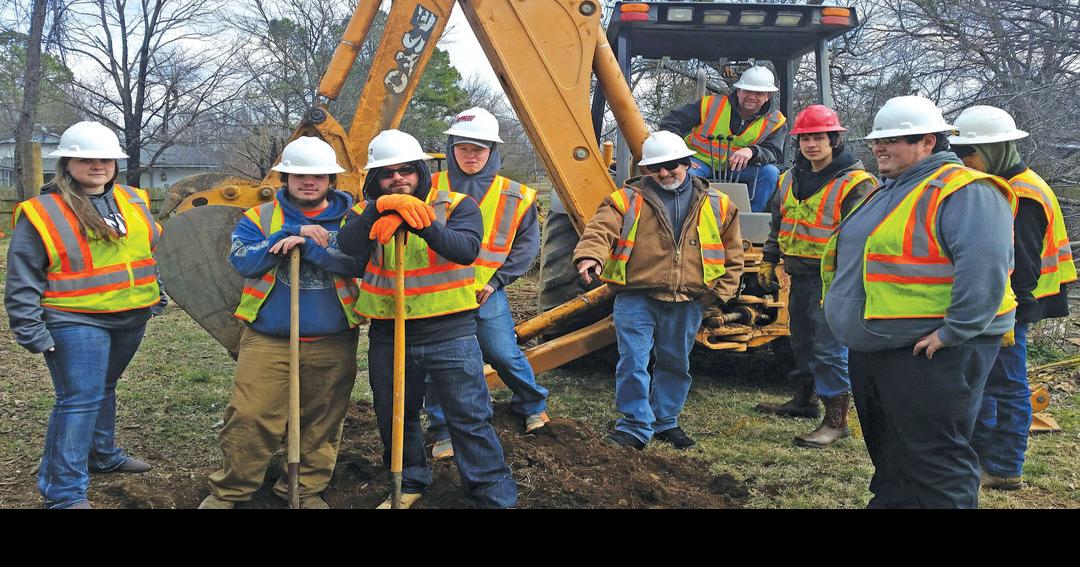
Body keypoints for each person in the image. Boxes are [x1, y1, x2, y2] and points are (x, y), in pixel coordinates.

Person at [821, 95, 1017, 508]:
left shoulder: (965, 190)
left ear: (929, 141)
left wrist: (954, 332)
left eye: (893, 140)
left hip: (929, 350)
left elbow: (984, 267)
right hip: (883, 346)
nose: (879, 148)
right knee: (893, 454)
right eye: (877, 140)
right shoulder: (894, 188)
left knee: (936, 461)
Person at [339, 129, 517, 509]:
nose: (399, 179)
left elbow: (466, 250)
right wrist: (378, 210)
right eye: (388, 173)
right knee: (395, 415)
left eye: (407, 171)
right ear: (375, 179)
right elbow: (350, 248)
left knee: (469, 415)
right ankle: (408, 481)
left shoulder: (456, 206)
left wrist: (423, 224)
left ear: (420, 170)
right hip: (389, 333)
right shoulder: (361, 213)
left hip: (450, 333)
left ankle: (493, 493)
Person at [5, 121, 165, 509]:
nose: (98, 165)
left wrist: (154, 291)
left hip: (131, 316)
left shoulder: (134, 200)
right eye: (86, 158)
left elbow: (145, 250)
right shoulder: (42, 212)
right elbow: (22, 275)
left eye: (105, 158)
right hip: (75, 319)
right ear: (67, 163)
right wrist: (30, 327)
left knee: (103, 389)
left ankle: (102, 454)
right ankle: (64, 495)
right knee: (79, 399)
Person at [198, 137, 363, 509]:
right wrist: (286, 236)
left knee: (321, 420)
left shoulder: (352, 218)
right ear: (285, 177)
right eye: (300, 174)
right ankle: (230, 491)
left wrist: (315, 250)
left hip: (333, 338)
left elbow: (359, 263)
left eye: (318, 175)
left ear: (331, 180)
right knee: (250, 415)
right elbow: (244, 262)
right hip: (268, 338)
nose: (309, 181)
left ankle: (304, 491)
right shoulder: (260, 217)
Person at [573, 131, 744, 450]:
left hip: (688, 300)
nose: (665, 173)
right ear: (645, 170)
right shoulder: (625, 199)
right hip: (636, 296)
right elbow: (600, 230)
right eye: (656, 168)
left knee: (675, 362)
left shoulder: (719, 204)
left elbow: (733, 254)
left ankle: (665, 421)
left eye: (672, 165)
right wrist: (589, 256)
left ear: (689, 163)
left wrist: (718, 295)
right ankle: (635, 425)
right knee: (633, 361)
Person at [949, 105, 1075, 490]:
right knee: (986, 381)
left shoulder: (1023, 192)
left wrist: (1007, 311)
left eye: (969, 153)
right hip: (1002, 300)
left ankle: (1004, 466)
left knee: (1005, 384)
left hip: (1014, 303)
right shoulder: (999, 183)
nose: (963, 162)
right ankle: (984, 455)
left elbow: (1024, 264)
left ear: (995, 149)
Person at [423, 107, 548, 461]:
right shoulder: (428, 188)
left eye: (480, 149)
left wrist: (496, 282)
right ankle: (443, 429)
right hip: (437, 293)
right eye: (464, 148)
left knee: (503, 353)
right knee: (439, 364)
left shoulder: (516, 195)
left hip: (486, 291)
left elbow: (526, 248)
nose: (471, 156)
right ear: (451, 149)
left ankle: (532, 403)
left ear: (493, 151)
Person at [756, 105, 878, 448]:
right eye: (805, 138)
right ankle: (804, 401)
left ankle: (836, 421)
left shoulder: (857, 183)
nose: (812, 144)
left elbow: (863, 237)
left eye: (819, 137)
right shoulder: (789, 178)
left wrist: (849, 281)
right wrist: (769, 259)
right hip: (798, 273)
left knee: (828, 348)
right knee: (802, 341)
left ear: (834, 140)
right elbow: (778, 224)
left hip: (834, 280)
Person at [660, 65, 788, 212]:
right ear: (739, 90)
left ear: (768, 96)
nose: (752, 96)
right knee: (683, 176)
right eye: (747, 90)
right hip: (698, 162)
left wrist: (752, 151)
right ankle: (682, 218)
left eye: (759, 93)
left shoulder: (776, 121)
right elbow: (670, 123)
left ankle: (752, 219)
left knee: (770, 173)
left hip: (738, 169)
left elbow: (775, 153)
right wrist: (681, 157)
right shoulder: (710, 104)